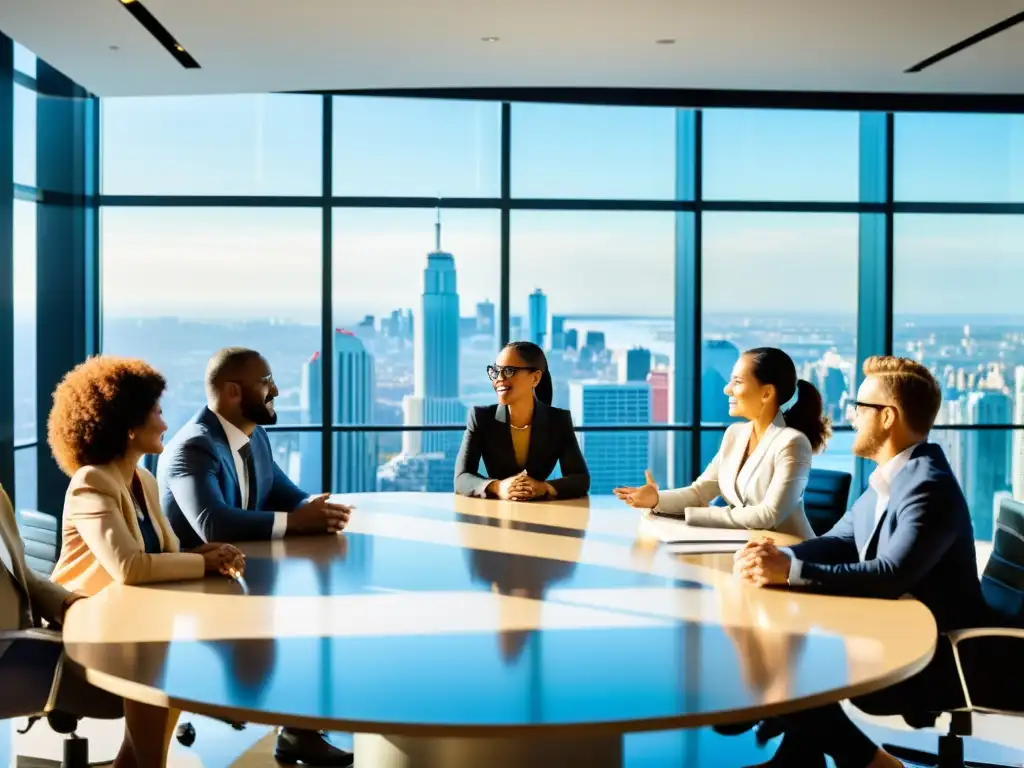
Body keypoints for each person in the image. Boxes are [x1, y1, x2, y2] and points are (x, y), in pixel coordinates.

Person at [734, 355, 988, 768]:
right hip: (899, 629)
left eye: (859, 407)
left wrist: (791, 571)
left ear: (887, 417)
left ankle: (873, 763)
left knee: (796, 658)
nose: (850, 415)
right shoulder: (893, 478)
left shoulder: (928, 486)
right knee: (785, 645)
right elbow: (839, 540)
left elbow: (890, 575)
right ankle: (800, 756)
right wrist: (777, 557)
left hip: (936, 654)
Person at [45, 355, 246, 767]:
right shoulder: (92, 483)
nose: (165, 423)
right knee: (159, 656)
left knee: (169, 651)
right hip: (85, 623)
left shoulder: (143, 479)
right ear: (128, 424)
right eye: (156, 412)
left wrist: (206, 554)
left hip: (133, 620)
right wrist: (202, 565)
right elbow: (130, 567)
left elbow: (162, 556)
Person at [159, 347, 353, 767]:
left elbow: (283, 493)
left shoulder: (252, 436)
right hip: (195, 593)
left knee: (319, 615)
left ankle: (299, 730)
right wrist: (298, 522)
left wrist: (314, 508)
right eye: (266, 381)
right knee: (303, 625)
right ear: (232, 391)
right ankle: (298, 730)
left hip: (240, 579)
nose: (276, 390)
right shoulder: (194, 447)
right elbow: (214, 523)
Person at [615, 347, 828, 538]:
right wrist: (656, 499)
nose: (727, 389)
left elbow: (769, 514)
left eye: (737, 382)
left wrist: (698, 514)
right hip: (748, 547)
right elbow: (700, 492)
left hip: (790, 554)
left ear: (767, 393)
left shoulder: (792, 443)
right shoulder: (735, 435)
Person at [455, 341, 590, 500]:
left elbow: (580, 479)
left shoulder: (558, 421)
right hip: (496, 512)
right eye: (496, 371)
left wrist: (543, 487)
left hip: (544, 513)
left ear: (535, 378)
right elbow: (462, 478)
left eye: (509, 371)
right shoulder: (480, 418)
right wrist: (498, 487)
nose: (499, 378)